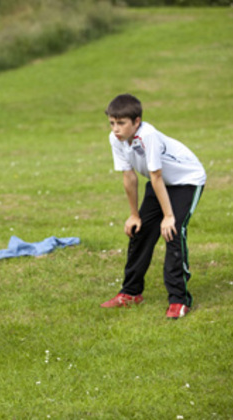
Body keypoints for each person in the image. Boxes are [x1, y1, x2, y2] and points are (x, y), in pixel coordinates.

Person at [100, 94, 206, 320]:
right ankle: (130, 293)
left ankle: (179, 300)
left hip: (187, 181)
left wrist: (168, 216)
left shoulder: (148, 135)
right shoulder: (115, 139)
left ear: (136, 121)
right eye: (112, 123)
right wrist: (134, 215)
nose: (115, 129)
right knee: (140, 231)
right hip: (161, 183)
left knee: (173, 232)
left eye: (121, 123)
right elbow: (129, 177)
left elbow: (156, 176)